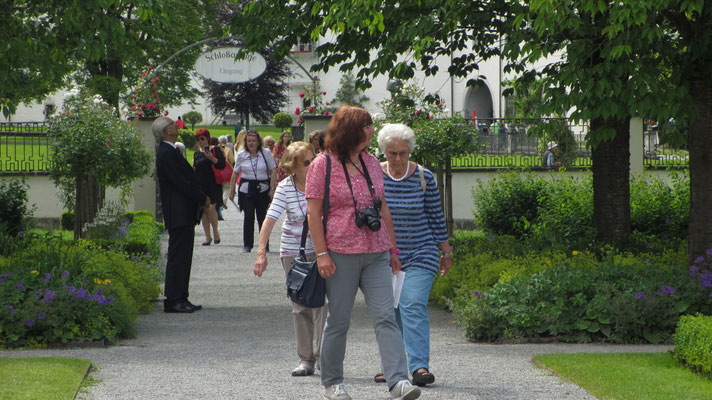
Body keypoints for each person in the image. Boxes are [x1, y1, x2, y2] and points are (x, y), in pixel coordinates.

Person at [305, 106, 421, 400]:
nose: (372, 130)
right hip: (340, 252)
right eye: (368, 126)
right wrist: (321, 254)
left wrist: (393, 248)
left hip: (376, 251)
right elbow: (313, 213)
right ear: (352, 129)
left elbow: (382, 208)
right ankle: (333, 383)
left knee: (386, 317)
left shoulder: (371, 162)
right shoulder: (323, 164)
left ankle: (398, 381)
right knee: (339, 320)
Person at [375, 123, 452, 387]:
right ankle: (393, 368)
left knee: (411, 303)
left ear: (410, 151)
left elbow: (435, 215)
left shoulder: (423, 176)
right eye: (392, 153)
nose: (397, 158)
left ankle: (419, 366)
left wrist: (446, 251)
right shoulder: (374, 175)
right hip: (384, 255)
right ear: (383, 151)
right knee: (390, 310)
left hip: (421, 250)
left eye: (403, 153)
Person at [253, 142, 326, 377]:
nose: (313, 165)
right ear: (293, 166)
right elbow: (270, 220)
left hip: (324, 250)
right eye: (306, 162)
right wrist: (261, 253)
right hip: (294, 252)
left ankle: (325, 358)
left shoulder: (326, 184)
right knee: (301, 305)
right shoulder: (285, 187)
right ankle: (306, 360)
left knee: (325, 304)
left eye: (313, 159)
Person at [153, 116, 208, 313]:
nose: (177, 127)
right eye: (173, 125)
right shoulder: (166, 153)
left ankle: (181, 296)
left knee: (184, 255)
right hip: (177, 210)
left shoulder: (170, 150)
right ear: (166, 131)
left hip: (182, 210)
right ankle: (173, 299)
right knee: (178, 256)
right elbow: (181, 181)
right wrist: (202, 197)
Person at [228, 129, 278, 252]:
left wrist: (272, 189)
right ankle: (247, 245)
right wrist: (231, 190)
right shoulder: (241, 155)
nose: (251, 143)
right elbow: (235, 173)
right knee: (248, 217)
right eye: (249, 141)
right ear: (246, 142)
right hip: (247, 189)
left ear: (258, 142)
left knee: (262, 217)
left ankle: (264, 245)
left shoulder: (265, 153)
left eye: (253, 141)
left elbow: (273, 170)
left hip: (263, 188)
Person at [193, 129, 226, 245]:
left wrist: (212, 158)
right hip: (201, 185)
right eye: (198, 139)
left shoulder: (215, 150)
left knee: (211, 208)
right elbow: (195, 168)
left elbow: (222, 164)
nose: (200, 141)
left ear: (208, 138)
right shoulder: (197, 153)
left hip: (213, 184)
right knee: (203, 211)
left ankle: (216, 232)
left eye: (202, 138)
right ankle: (208, 237)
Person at [219, 135, 235, 212]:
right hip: (227, 170)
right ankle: (223, 202)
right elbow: (232, 160)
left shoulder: (217, 149)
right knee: (227, 188)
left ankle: (220, 202)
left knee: (221, 188)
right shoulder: (228, 149)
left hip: (219, 171)